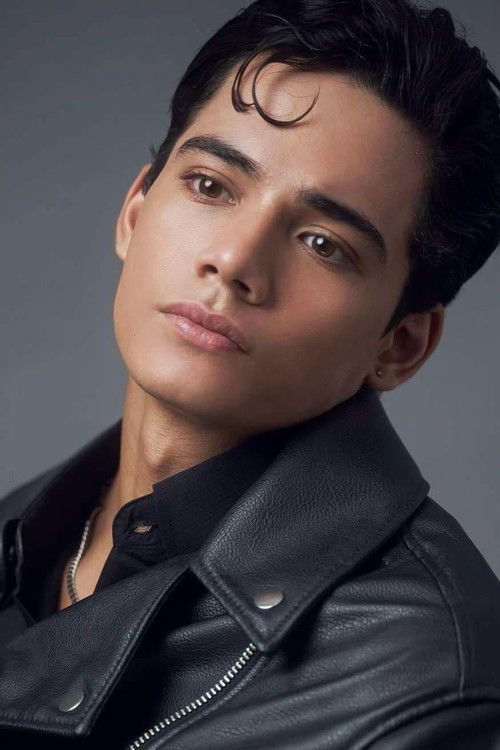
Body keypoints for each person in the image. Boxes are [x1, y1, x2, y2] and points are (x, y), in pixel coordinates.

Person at [1, 0, 499, 746]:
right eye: (211, 186)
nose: (233, 262)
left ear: (399, 345)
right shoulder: (21, 529)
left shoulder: (426, 679)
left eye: (323, 243)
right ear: (135, 212)